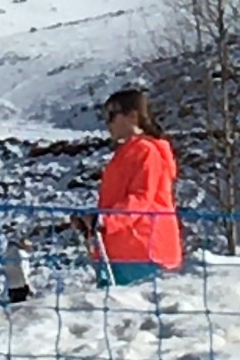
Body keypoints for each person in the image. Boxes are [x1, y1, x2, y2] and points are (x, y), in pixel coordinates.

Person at [71, 89, 182, 286]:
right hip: (121, 251)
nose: (108, 123)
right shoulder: (125, 153)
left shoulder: (146, 152)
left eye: (112, 115)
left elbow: (141, 198)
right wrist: (92, 224)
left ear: (133, 116)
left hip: (143, 252)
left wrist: (105, 221)